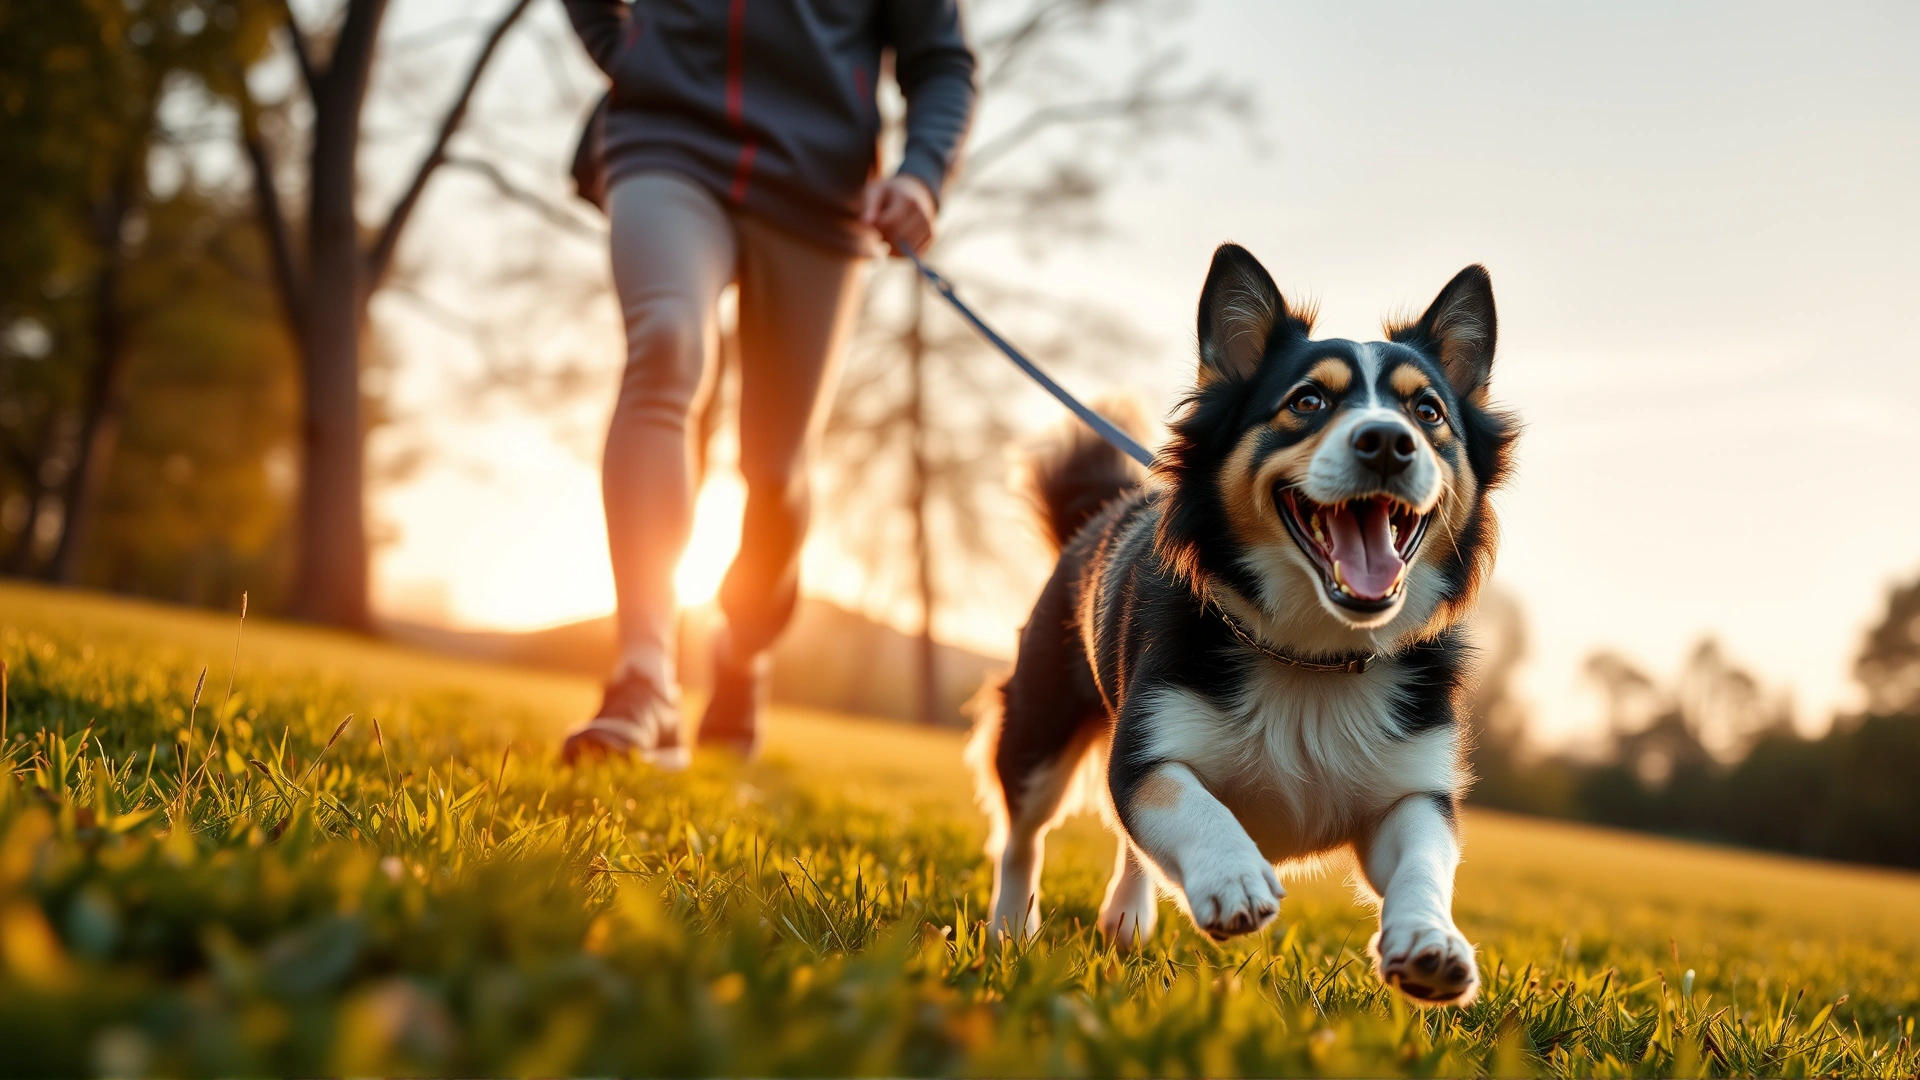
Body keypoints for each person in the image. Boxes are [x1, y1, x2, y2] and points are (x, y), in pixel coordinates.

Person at [559, 0, 977, 765]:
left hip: (819, 190)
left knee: (774, 467)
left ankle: (743, 648)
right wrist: (633, 55)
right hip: (665, 141)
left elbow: (940, 60)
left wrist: (921, 176)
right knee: (666, 347)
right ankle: (645, 677)